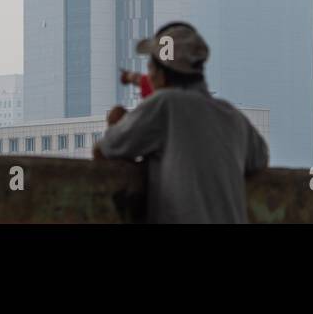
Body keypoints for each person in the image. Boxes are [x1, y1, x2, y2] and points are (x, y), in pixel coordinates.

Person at [92, 21, 269, 223]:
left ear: (160, 74)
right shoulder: (232, 116)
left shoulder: (164, 104)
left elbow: (105, 149)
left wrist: (117, 123)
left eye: (150, 66)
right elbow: (260, 159)